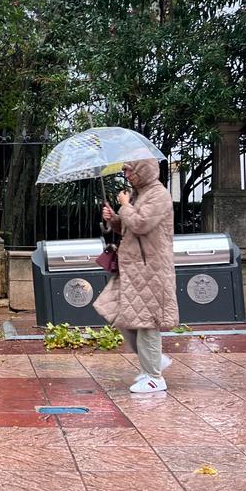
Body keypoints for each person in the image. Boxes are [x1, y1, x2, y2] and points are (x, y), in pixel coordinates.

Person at [93, 158, 179, 393]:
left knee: (146, 321)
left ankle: (154, 377)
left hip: (149, 270)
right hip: (133, 270)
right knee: (115, 311)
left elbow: (141, 224)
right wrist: (115, 219)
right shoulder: (141, 194)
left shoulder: (158, 195)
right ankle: (153, 360)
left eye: (129, 169)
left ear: (142, 169)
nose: (127, 174)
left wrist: (124, 205)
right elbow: (133, 229)